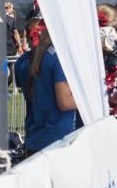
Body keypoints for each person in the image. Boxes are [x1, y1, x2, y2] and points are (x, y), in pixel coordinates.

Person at [18, 25, 77, 156]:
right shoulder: (59, 57)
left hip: (40, 138)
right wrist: (90, 98)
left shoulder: (45, 54)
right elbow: (65, 102)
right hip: (57, 141)